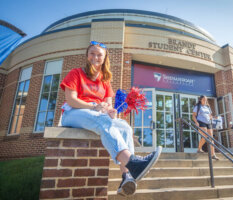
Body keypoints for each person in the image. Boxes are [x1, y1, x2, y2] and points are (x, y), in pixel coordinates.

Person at [59, 41, 162, 196]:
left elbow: (108, 107)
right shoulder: (76, 73)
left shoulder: (105, 80)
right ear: (87, 56)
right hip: (73, 113)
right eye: (92, 53)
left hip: (96, 115)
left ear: (104, 57)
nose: (95, 57)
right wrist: (94, 107)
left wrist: (111, 112)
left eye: (99, 54)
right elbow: (71, 99)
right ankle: (133, 163)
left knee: (125, 127)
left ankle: (126, 176)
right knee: (102, 120)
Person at [192, 95, 219, 160]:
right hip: (201, 122)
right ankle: (199, 149)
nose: (205, 100)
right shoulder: (197, 106)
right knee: (204, 136)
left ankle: (213, 154)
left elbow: (210, 116)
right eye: (204, 99)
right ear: (200, 100)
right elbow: (193, 116)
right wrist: (196, 122)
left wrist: (213, 117)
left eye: (206, 99)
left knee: (211, 138)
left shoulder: (208, 107)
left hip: (208, 123)